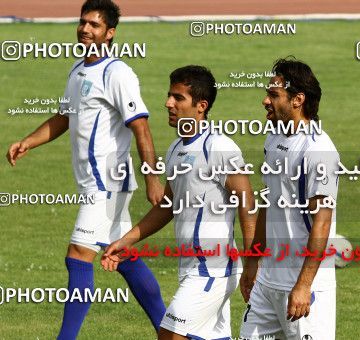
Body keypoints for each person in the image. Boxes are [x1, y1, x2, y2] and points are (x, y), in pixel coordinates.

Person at [6, 0, 166, 338]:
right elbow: (65, 117)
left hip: (107, 182)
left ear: (109, 33)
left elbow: (141, 127)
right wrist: (29, 142)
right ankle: (169, 331)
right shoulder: (77, 70)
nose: (85, 29)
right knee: (123, 255)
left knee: (78, 256)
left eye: (94, 25)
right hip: (94, 184)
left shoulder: (117, 73)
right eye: (83, 23)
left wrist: (153, 178)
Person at [101, 65, 257, 340]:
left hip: (213, 270)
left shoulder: (219, 148)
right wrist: (126, 240)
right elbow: (167, 206)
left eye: (178, 98)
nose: (168, 103)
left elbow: (247, 203)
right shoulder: (176, 148)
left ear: (201, 106)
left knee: (170, 334)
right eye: (169, 96)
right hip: (191, 268)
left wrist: (253, 263)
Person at [239, 57, 340, 339]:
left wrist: (304, 285)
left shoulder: (318, 150)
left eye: (273, 95)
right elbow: (270, 203)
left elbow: (322, 224)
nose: (265, 101)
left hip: (303, 287)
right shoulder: (274, 138)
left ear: (297, 100)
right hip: (267, 282)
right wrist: (252, 261)